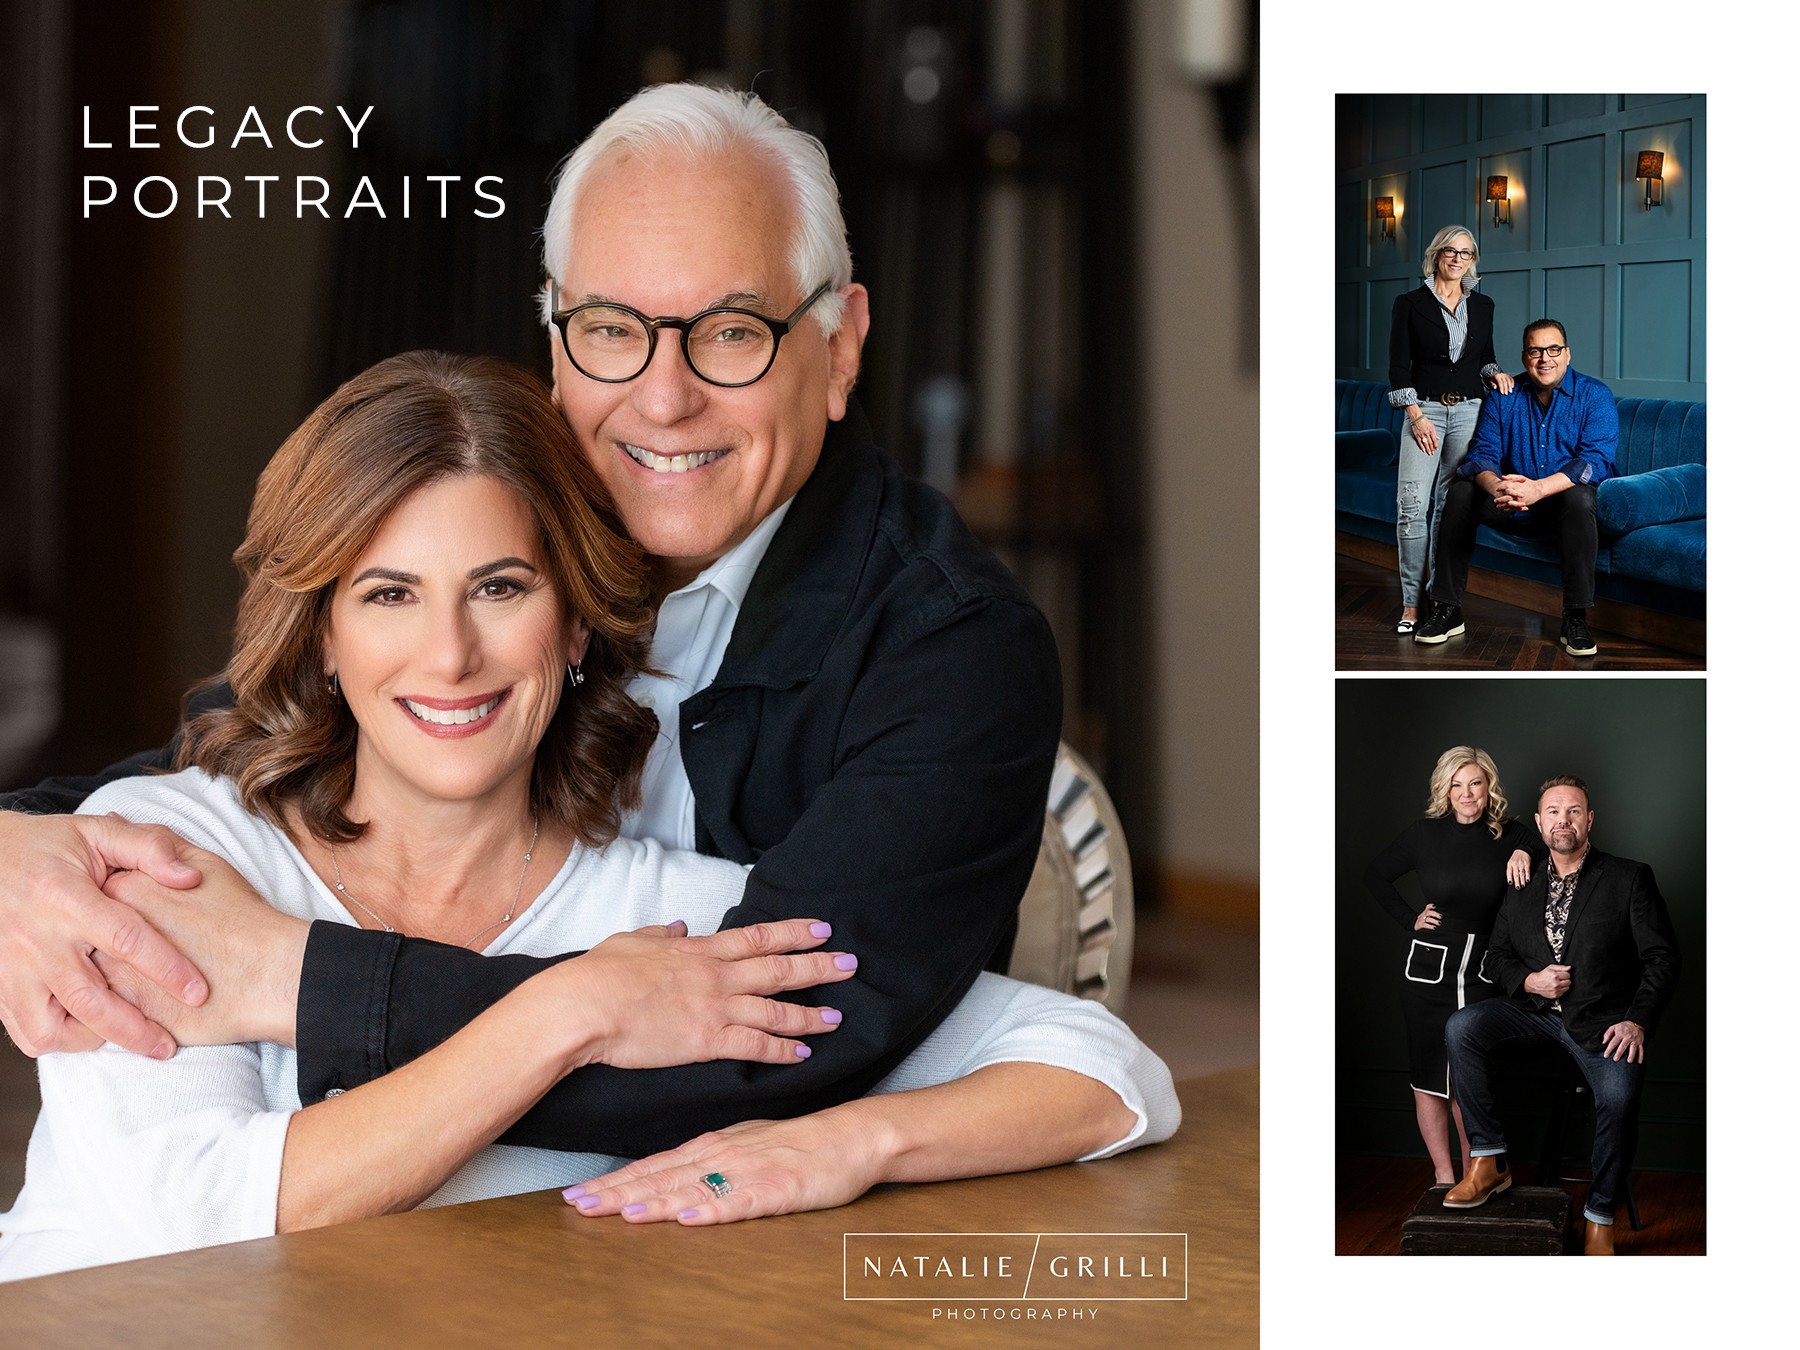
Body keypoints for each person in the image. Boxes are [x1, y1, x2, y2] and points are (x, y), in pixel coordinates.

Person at [0, 84, 1065, 1158]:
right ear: (556, 343)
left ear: (838, 350)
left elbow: (772, 1055)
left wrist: (292, 981)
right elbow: (276, 740)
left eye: (732, 333)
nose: (662, 399)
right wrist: (15, 842)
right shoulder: (503, 524)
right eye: (612, 330)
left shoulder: (956, 650)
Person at [0, 353, 1178, 1281]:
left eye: (501, 590)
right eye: (389, 593)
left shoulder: (659, 917)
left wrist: (841, 1144)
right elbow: (198, 1211)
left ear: (573, 630)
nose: (451, 655)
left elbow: (1101, 1069)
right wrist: (566, 1013)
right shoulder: (165, 857)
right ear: (322, 633)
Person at [1441, 775, 1680, 1256]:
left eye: (1573, 811)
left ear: (1589, 820)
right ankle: (1489, 1161)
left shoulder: (1629, 877)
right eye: (1553, 812)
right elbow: (1496, 956)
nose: (1563, 820)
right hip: (1534, 1015)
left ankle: (1599, 1217)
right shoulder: (1521, 881)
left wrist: (1637, 1020)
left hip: (1603, 1023)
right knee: (1462, 1026)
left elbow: (1663, 958)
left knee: (1618, 1096)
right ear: (1538, 822)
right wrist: (1528, 981)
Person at [1363, 747, 1539, 1185]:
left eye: (1475, 783)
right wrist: (1410, 919)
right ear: (1444, 789)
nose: (1466, 793)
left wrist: (1525, 854)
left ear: (1488, 788)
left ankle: (1474, 1176)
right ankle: (1444, 1177)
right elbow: (1375, 874)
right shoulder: (1423, 834)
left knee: (1467, 1081)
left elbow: (1544, 837)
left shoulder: (1510, 833)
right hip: (1426, 971)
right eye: (1457, 784)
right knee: (1428, 1079)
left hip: (1483, 971)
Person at [1413, 319, 1618, 657]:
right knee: (1462, 491)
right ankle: (1447, 609)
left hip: (1564, 510)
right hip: (1512, 503)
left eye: (1553, 350)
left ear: (1567, 354)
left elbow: (1594, 461)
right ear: (1524, 357)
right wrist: (1497, 488)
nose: (1544, 359)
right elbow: (1482, 453)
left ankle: (1576, 617)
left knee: (1580, 495)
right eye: (1535, 351)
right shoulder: (1504, 396)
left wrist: (1537, 489)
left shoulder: (1595, 396)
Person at [1384, 226, 1513, 634]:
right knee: (1411, 506)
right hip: (1423, 411)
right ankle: (1410, 604)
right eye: (1451, 251)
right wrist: (1415, 415)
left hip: (1469, 411)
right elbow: (1398, 366)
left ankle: (1440, 598)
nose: (1458, 259)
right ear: (1437, 254)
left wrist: (1497, 374)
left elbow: (1484, 358)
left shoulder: (1485, 305)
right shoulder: (1409, 303)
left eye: (1467, 253)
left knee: (1449, 506)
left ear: (1473, 260)